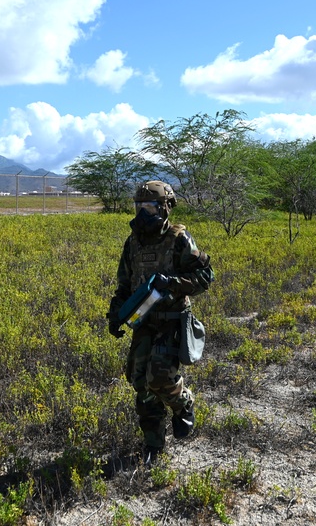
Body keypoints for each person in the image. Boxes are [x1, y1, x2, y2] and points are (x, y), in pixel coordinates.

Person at [106, 181, 214, 466]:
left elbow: (205, 277)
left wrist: (173, 283)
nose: (144, 214)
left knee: (160, 377)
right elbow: (124, 286)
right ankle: (153, 445)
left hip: (172, 319)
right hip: (143, 321)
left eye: (151, 207)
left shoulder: (179, 239)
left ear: (165, 207)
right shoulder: (133, 242)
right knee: (140, 382)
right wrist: (115, 316)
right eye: (140, 208)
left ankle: (184, 403)